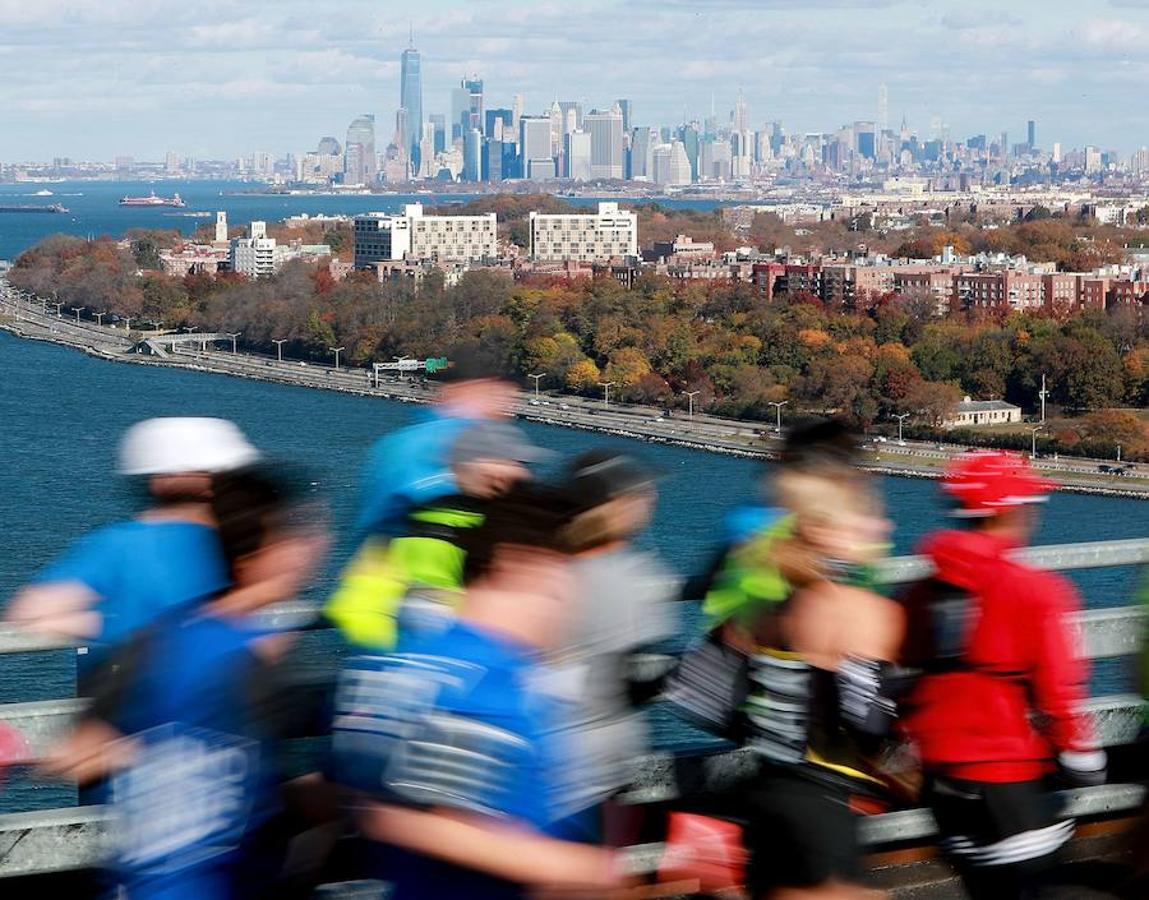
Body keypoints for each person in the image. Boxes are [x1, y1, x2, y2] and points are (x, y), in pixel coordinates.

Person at [43, 462, 326, 900]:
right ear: (264, 550)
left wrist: (162, 752)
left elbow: (74, 755)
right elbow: (264, 801)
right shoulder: (251, 663)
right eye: (301, 534)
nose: (316, 546)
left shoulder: (161, 635)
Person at [330, 483, 627, 899]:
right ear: (516, 563)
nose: (569, 604)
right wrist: (602, 869)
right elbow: (441, 828)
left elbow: (341, 794)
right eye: (561, 582)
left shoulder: (396, 658)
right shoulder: (487, 684)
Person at [899, 451, 1106, 900]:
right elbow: (1057, 691)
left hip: (942, 781)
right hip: (1006, 781)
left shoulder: (919, 591)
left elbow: (904, 672)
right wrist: (1083, 760)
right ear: (1013, 511)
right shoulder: (1035, 590)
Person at [6, 416, 261, 688]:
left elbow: (29, 613)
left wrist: (114, 623)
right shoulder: (241, 546)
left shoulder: (121, 545)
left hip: (134, 709)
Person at [542, 450, 679, 845]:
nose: (650, 498)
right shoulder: (630, 577)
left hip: (543, 753)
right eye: (639, 494)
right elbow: (643, 679)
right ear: (612, 506)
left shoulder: (542, 566)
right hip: (599, 764)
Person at [325, 420, 548, 649]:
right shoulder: (513, 532)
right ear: (486, 470)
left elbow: (357, 608)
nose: (525, 473)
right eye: (514, 463)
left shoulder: (410, 523)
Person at [352, 346, 519, 541]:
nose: (505, 404)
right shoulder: (455, 444)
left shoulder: (397, 444)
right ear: (470, 388)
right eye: (496, 393)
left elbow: (372, 524)